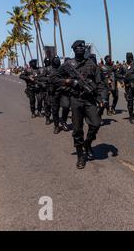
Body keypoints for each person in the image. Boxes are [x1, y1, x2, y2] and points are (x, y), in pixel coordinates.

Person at [51, 40, 107, 169]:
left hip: (89, 100)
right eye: (78, 47)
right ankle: (80, 155)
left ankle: (87, 144)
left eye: (83, 47)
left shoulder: (91, 64)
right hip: (76, 100)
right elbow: (53, 79)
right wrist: (69, 81)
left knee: (96, 123)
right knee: (77, 129)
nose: (81, 49)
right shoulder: (68, 65)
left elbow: (100, 84)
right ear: (74, 49)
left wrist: (103, 99)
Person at [50, 56, 71, 134]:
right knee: (55, 111)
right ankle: (56, 125)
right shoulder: (49, 70)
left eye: (58, 60)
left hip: (63, 92)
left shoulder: (63, 69)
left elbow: (69, 78)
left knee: (66, 106)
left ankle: (64, 122)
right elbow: (47, 79)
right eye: (55, 60)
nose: (57, 61)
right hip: (54, 93)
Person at [38, 58, 54, 125]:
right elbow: (40, 78)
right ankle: (47, 118)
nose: (47, 62)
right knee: (47, 104)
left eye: (48, 61)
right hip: (47, 89)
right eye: (46, 61)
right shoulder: (44, 69)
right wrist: (48, 78)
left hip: (56, 89)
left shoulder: (55, 68)